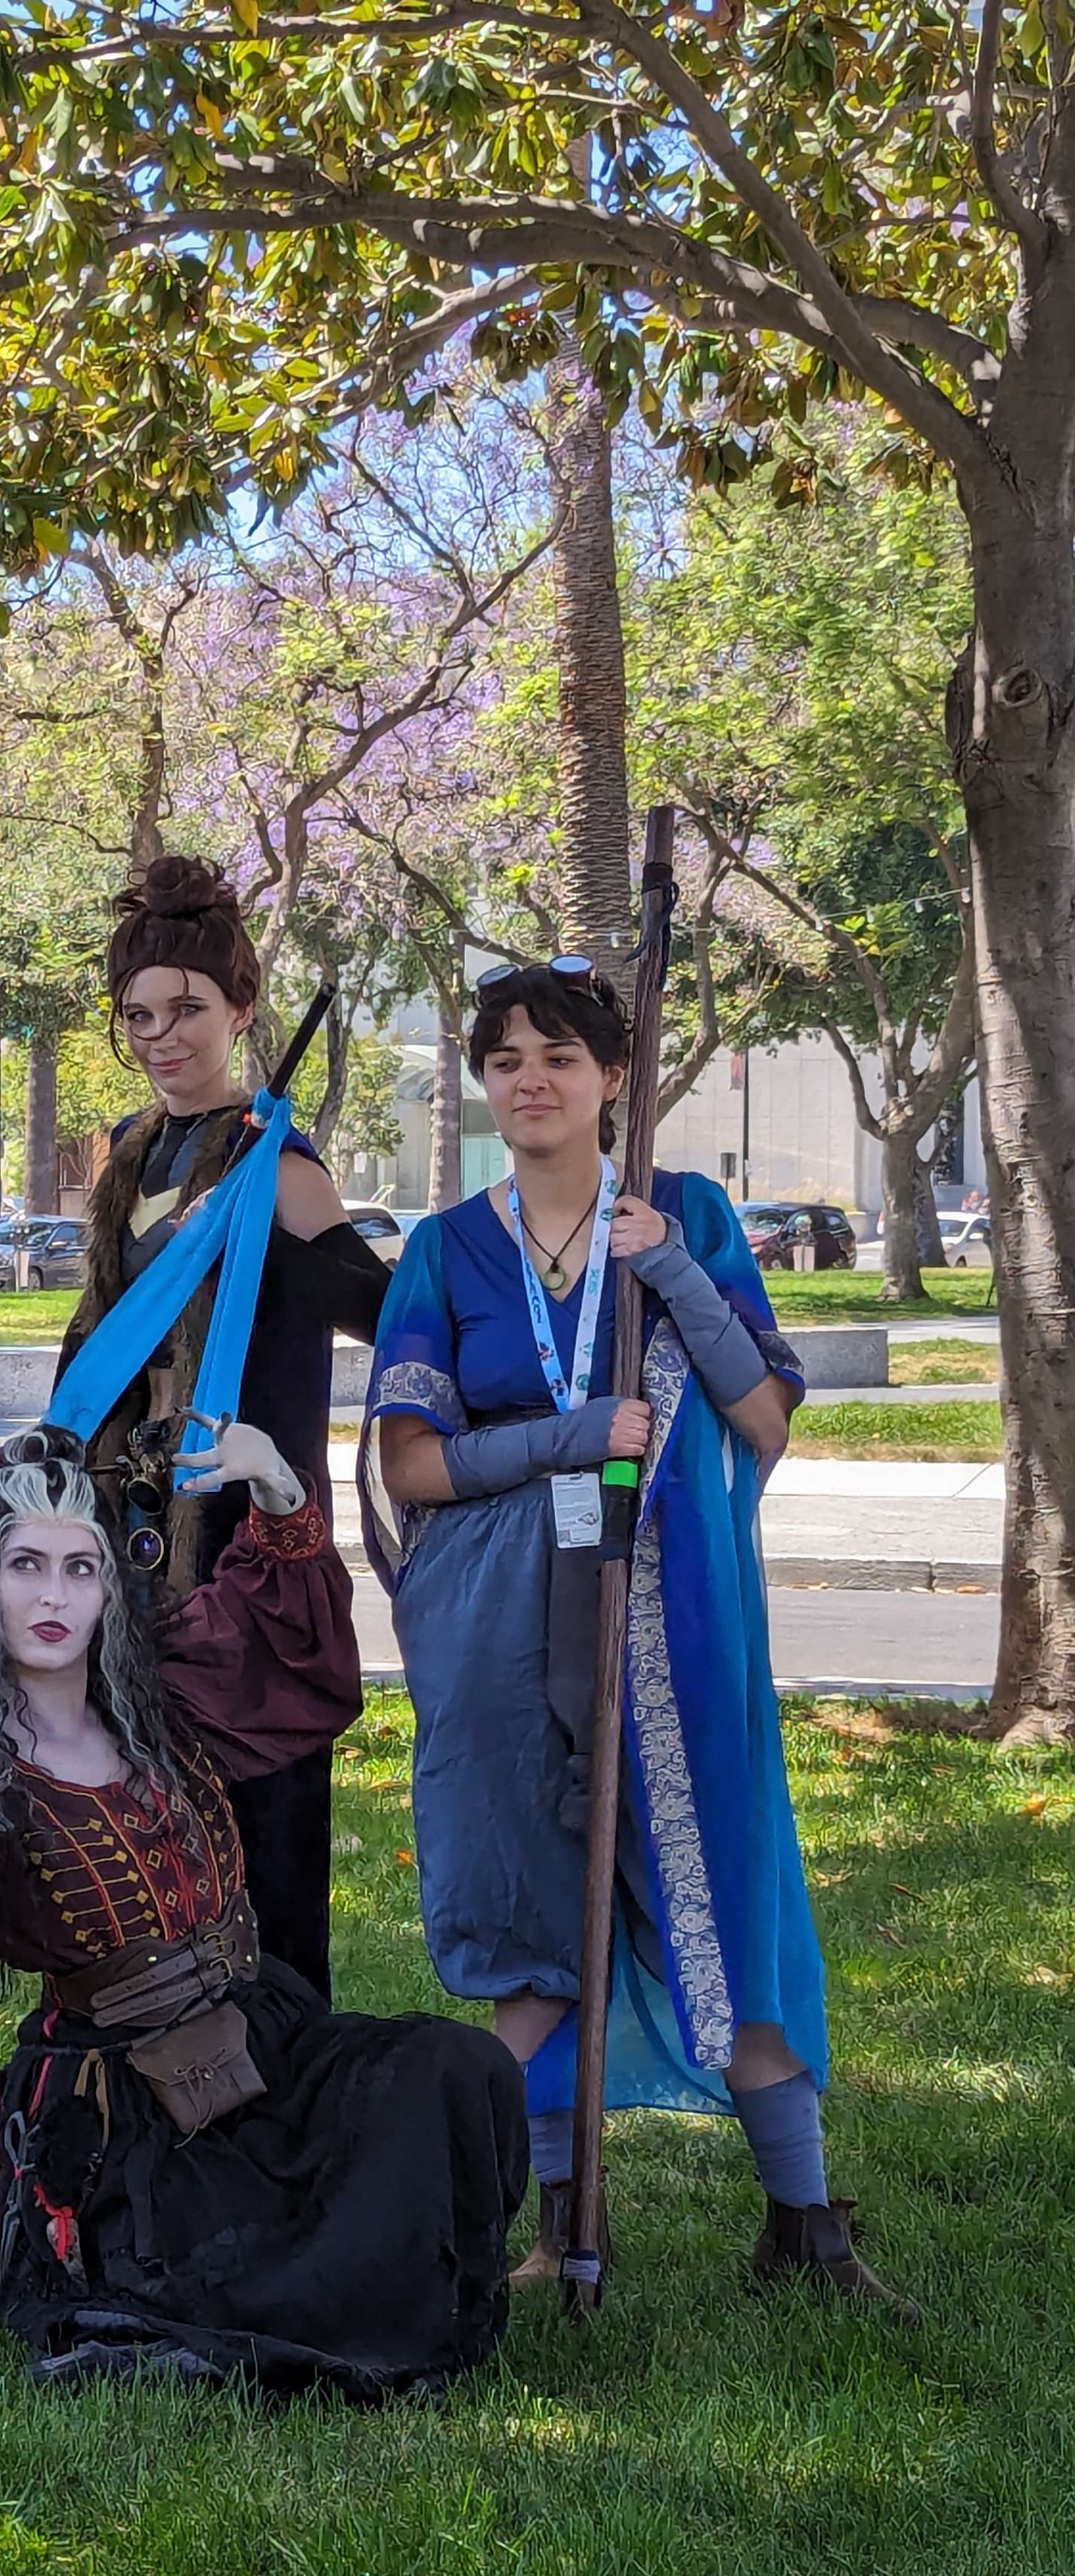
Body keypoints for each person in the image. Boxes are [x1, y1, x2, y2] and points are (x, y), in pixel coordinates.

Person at [0, 1421, 525, 2396]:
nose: (53, 1597)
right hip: (129, 2102)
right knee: (251, 2262)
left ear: (112, 1588)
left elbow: (279, 1632)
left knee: (455, 2065)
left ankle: (383, 2284)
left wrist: (276, 1483)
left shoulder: (165, 1700)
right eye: (25, 1566)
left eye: (79, 1568)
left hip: (265, 2036)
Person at [361, 960, 915, 2316]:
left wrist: (665, 1266)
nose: (529, 1080)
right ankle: (559, 2225)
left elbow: (764, 1417)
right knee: (526, 1910)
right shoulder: (444, 1249)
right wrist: (565, 1437)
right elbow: (414, 1465)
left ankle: (806, 2226)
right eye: (503, 1061)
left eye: (558, 1056)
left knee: (722, 1884)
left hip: (675, 1608)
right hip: (495, 1616)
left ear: (614, 1079)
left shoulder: (693, 1217)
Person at [55, 856, 389, 1996]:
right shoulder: (131, 1161)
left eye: (187, 1010)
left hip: (248, 1547)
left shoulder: (281, 1168)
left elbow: (390, 1317)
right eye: (138, 1016)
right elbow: (92, 1344)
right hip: (126, 1538)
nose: (162, 1036)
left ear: (242, 1011)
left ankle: (281, 2081)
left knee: (262, 1832)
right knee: (140, 1831)